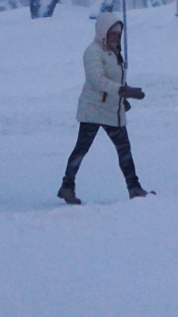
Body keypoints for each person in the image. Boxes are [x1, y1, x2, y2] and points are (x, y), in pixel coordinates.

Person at [57, 11, 148, 204]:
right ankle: (67, 187)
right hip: (93, 109)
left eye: (118, 34)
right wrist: (123, 90)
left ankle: (134, 188)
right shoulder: (92, 52)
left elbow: (115, 77)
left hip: (112, 110)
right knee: (81, 150)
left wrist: (123, 98)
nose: (115, 37)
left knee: (124, 150)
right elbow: (97, 80)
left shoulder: (114, 53)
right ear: (102, 33)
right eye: (112, 33)